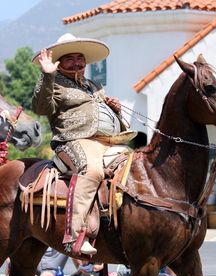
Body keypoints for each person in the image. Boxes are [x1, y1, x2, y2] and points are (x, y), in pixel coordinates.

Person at [32, 33, 137, 257]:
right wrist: (47, 75)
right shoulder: (54, 81)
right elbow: (41, 108)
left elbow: (104, 117)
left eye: (80, 58)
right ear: (59, 62)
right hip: (73, 140)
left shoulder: (94, 86)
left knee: (134, 167)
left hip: (109, 142)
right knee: (92, 170)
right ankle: (75, 236)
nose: (77, 62)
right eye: (70, 58)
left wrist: (115, 111)